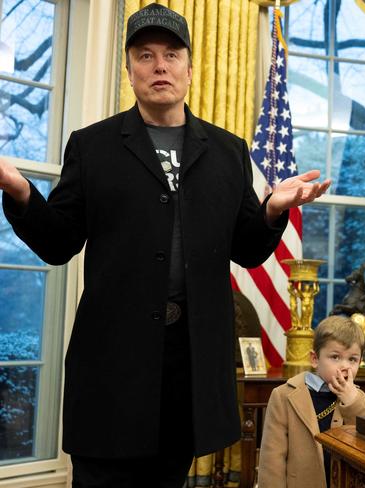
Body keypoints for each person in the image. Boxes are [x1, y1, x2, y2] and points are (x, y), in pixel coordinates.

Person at [0, 4, 330, 487]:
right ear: (130, 70)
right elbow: (58, 242)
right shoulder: (92, 146)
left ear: (190, 70)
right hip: (112, 368)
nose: (160, 66)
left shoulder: (227, 151)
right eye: (146, 55)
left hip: (189, 369)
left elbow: (247, 249)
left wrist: (272, 210)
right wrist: (21, 190)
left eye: (172, 55)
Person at [257, 316, 365, 488]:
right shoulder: (283, 396)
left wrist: (352, 402)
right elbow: (272, 459)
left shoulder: (361, 399)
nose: (344, 366)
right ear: (314, 359)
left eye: (352, 359)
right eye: (335, 357)